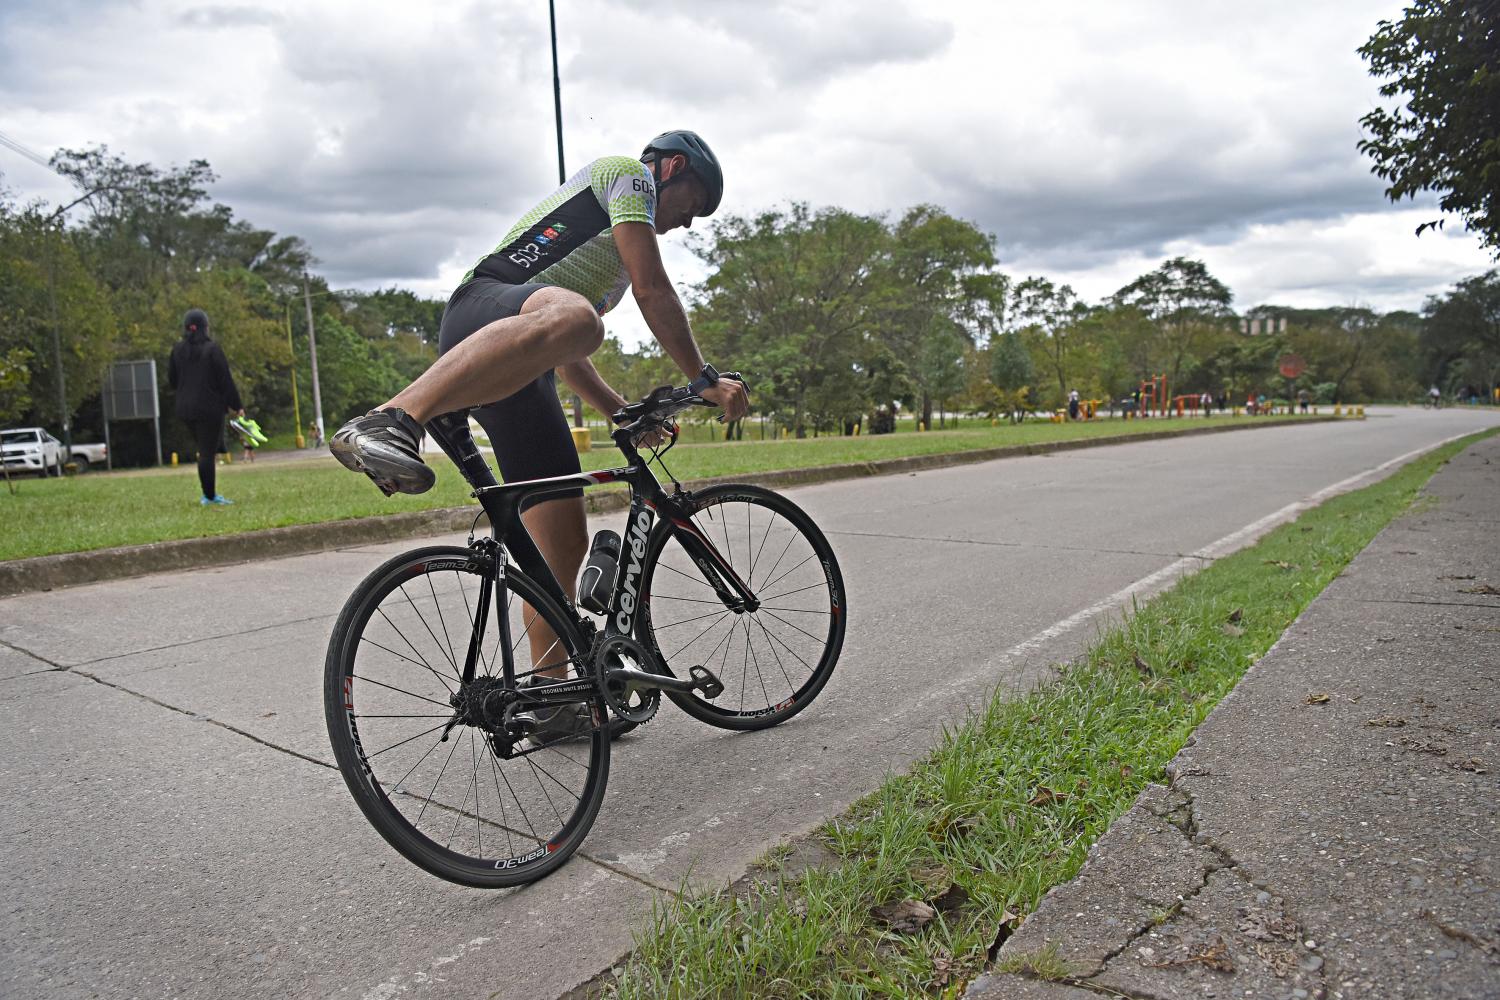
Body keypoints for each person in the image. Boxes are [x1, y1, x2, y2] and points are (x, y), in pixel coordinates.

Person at [330, 130, 749, 741]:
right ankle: (395, 417)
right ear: (673, 168)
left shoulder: (609, 274)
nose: (688, 222)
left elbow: (567, 354)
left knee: (561, 542)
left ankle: (551, 702)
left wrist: (620, 411)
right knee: (578, 319)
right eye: (695, 204)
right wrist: (704, 379)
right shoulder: (627, 176)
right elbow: (654, 292)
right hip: (482, 308)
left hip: (522, 373)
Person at [168, 308, 242, 506]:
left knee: (204, 449)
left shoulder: (177, 350)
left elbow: (172, 379)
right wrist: (236, 405)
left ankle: (208, 493)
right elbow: (225, 380)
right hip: (209, 408)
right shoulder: (212, 349)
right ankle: (209, 496)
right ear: (206, 327)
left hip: (185, 409)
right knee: (207, 453)